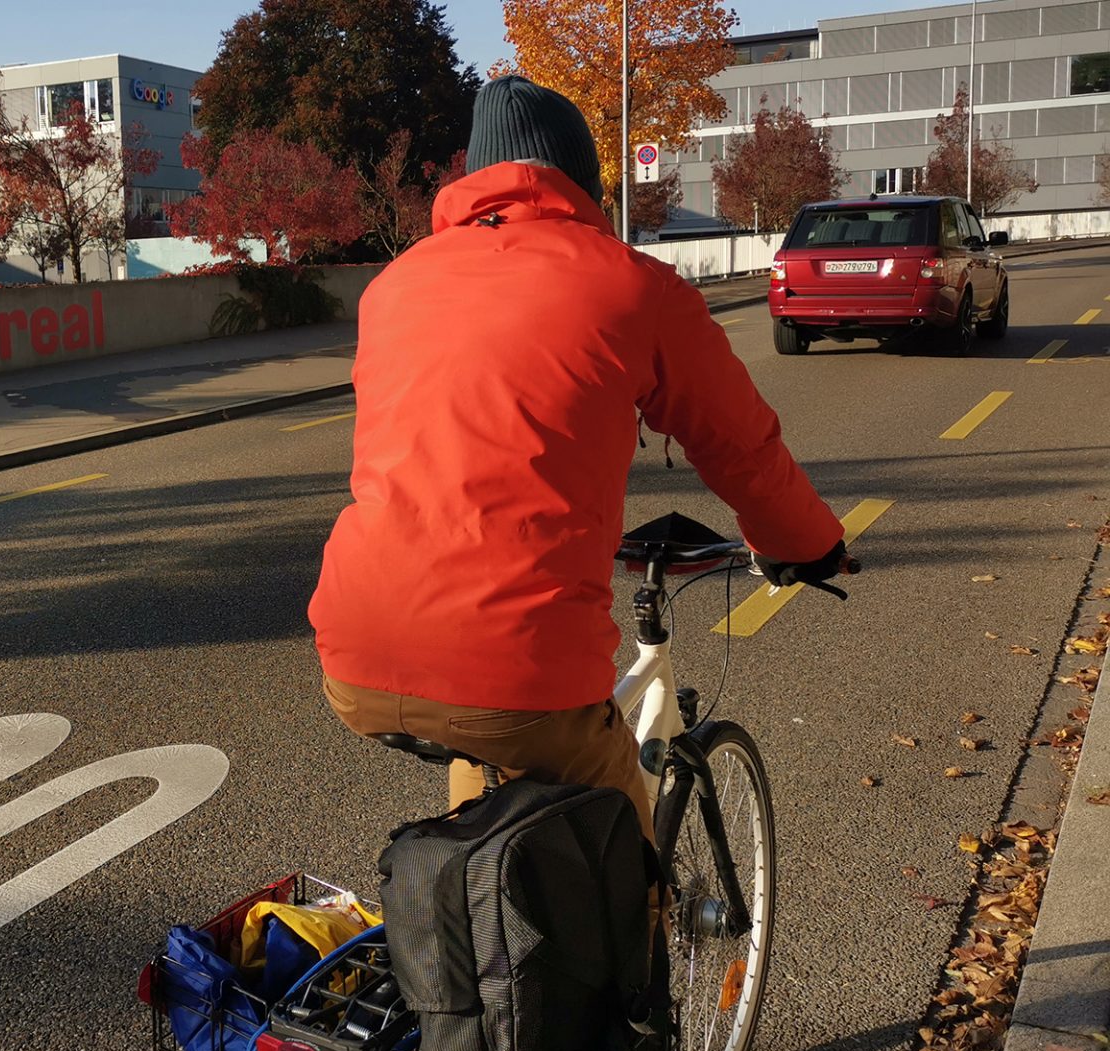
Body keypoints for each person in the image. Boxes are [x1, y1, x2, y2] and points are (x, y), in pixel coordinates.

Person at [308, 76, 848, 841]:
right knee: (623, 873)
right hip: (519, 668)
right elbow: (740, 447)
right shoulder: (632, 284)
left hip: (354, 649)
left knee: (489, 793)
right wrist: (806, 545)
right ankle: (641, 915)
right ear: (582, 179)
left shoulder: (394, 285)